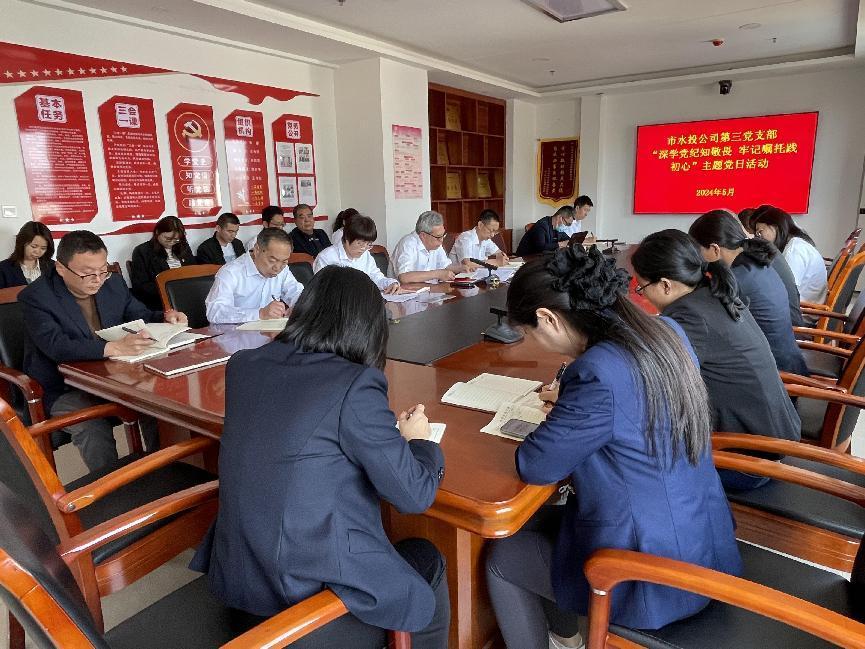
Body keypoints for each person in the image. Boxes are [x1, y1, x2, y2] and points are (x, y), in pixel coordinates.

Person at [485, 246, 741, 649]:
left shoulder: (597, 372)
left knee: (503, 558)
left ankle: (563, 637)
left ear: (548, 318)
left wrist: (569, 406)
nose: (534, 343)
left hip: (651, 574)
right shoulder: (664, 332)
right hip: (701, 541)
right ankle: (566, 637)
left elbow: (535, 464)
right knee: (527, 524)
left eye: (530, 333)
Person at [191, 266, 449, 648]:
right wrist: (419, 441)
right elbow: (414, 495)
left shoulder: (244, 365)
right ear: (369, 328)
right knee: (427, 561)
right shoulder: (355, 384)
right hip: (303, 600)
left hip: (242, 577)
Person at [631, 229, 801, 491]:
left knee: (631, 452)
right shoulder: (713, 294)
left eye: (641, 288)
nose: (643, 296)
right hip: (770, 438)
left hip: (746, 459)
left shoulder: (689, 318)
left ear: (665, 285)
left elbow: (648, 379)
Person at [19, 231, 187, 471]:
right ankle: (113, 486)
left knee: (157, 404)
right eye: (88, 273)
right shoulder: (36, 296)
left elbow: (139, 315)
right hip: (64, 386)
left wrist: (165, 317)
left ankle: (161, 471)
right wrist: (113, 347)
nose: (97, 280)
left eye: (102, 270)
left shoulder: (113, 283)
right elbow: (56, 345)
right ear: (61, 268)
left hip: (114, 377)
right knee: (93, 427)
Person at [689, 210, 809, 374]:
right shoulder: (758, 261)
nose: (699, 259)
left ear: (715, 249)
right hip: (789, 361)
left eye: (698, 252)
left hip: (778, 374)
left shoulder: (738, 279)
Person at [205, 228, 303, 324]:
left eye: (284, 262)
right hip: (235, 332)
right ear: (256, 250)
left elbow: (297, 292)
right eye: (272, 260)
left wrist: (298, 307)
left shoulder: (283, 270)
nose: (277, 268)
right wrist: (259, 314)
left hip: (269, 331)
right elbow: (214, 312)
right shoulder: (231, 272)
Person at [752, 205, 827, 304]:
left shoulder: (794, 249)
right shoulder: (797, 244)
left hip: (803, 310)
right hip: (804, 306)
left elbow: (785, 289)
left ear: (775, 227)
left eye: (760, 232)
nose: (759, 238)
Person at [313, 215, 401, 294]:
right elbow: (320, 290)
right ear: (347, 239)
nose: (364, 248)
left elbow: (376, 277)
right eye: (360, 243)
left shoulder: (365, 254)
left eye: (368, 244)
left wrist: (390, 283)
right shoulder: (326, 258)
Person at [130, 216, 196, 311]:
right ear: (157, 232)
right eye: (168, 238)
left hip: (186, 296)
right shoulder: (142, 251)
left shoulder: (183, 246)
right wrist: (169, 290)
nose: (171, 242)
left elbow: (193, 272)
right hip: (159, 301)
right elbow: (140, 286)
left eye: (176, 239)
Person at [392, 211, 464, 283]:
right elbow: (404, 277)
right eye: (438, 237)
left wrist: (462, 268)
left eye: (443, 235)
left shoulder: (436, 243)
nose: (441, 240)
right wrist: (437, 274)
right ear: (423, 235)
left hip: (431, 287)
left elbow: (445, 265)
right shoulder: (407, 244)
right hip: (409, 289)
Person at [0, 221, 54, 288]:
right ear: (22, 243)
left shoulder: (53, 266)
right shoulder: (3, 268)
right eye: (34, 246)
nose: (37, 252)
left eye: (43, 248)